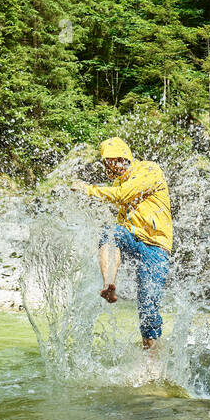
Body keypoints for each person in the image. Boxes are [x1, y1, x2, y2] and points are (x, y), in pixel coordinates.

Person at [69, 137, 173, 360]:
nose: (107, 168)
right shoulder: (118, 183)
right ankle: (109, 284)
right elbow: (121, 213)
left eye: (109, 163)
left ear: (120, 159)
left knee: (147, 309)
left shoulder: (149, 170)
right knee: (110, 232)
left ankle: (153, 361)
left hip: (156, 247)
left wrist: (88, 190)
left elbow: (123, 195)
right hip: (134, 239)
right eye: (105, 164)